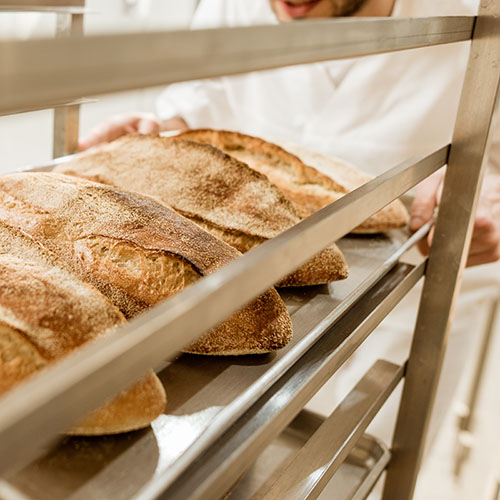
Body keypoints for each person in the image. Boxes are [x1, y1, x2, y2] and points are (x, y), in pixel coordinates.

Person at [79, 0, 500, 471]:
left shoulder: (477, 13)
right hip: (243, 305)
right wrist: (156, 134)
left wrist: (488, 197)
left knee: (355, 472)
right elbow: (197, 108)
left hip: (406, 310)